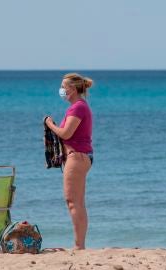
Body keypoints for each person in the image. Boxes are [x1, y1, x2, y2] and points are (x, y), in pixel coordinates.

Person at [45, 73, 93, 250]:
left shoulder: (78, 108)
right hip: (78, 156)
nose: (62, 90)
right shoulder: (78, 107)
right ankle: (80, 244)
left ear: (72, 89)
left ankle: (79, 245)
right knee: (77, 202)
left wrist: (50, 124)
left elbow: (66, 133)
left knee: (73, 202)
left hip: (77, 156)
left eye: (64, 87)